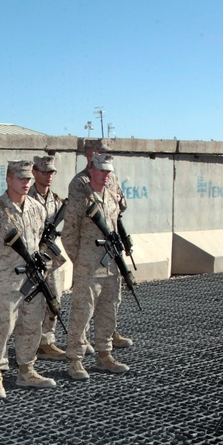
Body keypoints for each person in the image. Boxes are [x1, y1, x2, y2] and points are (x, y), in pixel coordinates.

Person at [0, 160, 58, 398]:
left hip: (32, 280)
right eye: (21, 178)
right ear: (8, 179)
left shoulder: (36, 208)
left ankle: (26, 370)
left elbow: (39, 242)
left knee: (31, 324)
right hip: (6, 281)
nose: (26, 183)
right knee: (2, 327)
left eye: (28, 179)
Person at [62, 154, 130, 378]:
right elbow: (69, 235)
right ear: (91, 170)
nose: (105, 175)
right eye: (101, 170)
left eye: (108, 171)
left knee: (108, 311)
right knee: (82, 314)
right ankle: (76, 359)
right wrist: (80, 260)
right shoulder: (81, 199)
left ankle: (104, 355)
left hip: (110, 267)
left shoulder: (111, 197)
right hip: (88, 268)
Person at [29, 154, 69, 361]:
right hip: (30, 258)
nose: (48, 176)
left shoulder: (57, 201)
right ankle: (29, 342)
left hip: (51, 259)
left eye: (51, 172)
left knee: (54, 298)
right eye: (44, 172)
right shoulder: (25, 198)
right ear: (34, 172)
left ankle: (47, 341)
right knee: (30, 303)